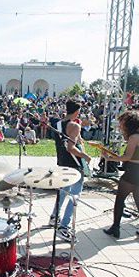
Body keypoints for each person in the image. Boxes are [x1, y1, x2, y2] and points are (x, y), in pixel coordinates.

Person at [102, 111, 139, 241]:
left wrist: (109, 158)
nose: (120, 126)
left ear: (128, 124)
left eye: (122, 123)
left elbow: (127, 157)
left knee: (120, 200)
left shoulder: (134, 137)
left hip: (134, 171)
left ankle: (116, 228)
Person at [49, 100, 92, 243]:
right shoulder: (74, 125)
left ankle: (54, 217)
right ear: (76, 112)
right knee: (75, 196)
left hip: (62, 162)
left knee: (63, 191)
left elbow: (65, 143)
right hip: (74, 165)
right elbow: (71, 148)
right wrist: (85, 156)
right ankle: (64, 227)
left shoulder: (58, 124)